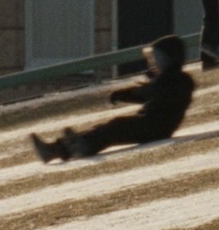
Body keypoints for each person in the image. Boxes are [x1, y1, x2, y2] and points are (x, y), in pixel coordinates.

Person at [30, 35, 195, 160]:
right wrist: (126, 94)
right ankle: (57, 149)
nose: (154, 63)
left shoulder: (181, 81)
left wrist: (135, 92)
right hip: (151, 125)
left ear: (169, 59)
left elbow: (158, 94)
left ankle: (83, 146)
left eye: (157, 59)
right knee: (109, 127)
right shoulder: (167, 80)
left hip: (157, 128)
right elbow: (151, 94)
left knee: (116, 127)